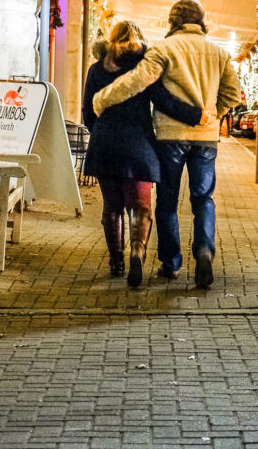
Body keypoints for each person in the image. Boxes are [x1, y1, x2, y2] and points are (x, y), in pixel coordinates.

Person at [93, 0, 242, 289]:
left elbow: (137, 81)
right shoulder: (218, 52)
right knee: (203, 198)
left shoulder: (163, 49)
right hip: (206, 139)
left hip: (170, 137)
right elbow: (233, 94)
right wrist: (212, 115)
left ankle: (171, 264)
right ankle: (203, 250)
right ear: (201, 21)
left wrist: (103, 98)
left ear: (173, 21)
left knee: (168, 203)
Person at [82, 21, 206, 288]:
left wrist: (102, 133)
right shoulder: (142, 69)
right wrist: (195, 115)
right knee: (140, 208)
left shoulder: (96, 69)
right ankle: (137, 251)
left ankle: (116, 262)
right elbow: (164, 101)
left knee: (112, 208)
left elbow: (87, 113)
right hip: (138, 148)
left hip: (105, 147)